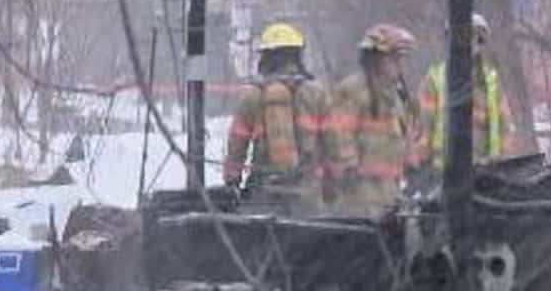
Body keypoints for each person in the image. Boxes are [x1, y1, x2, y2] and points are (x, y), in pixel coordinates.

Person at [224, 22, 330, 215]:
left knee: (261, 244)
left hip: (263, 195)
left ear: (265, 57)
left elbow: (236, 145)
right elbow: (334, 142)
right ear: (297, 55)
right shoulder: (317, 93)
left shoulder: (252, 95)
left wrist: (232, 181)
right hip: (309, 196)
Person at [411, 13, 535, 175]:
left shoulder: (491, 81)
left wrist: (501, 164)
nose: (467, 45)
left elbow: (505, 129)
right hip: (444, 176)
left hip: (485, 176)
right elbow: (423, 129)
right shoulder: (435, 79)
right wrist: (420, 169)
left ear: (479, 42)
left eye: (472, 38)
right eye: (461, 38)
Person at [326, 23, 419, 217]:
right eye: (394, 59)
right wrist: (348, 170)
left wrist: (413, 164)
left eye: (400, 59)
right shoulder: (352, 90)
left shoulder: (396, 95)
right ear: (376, 59)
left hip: (390, 195)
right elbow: (341, 135)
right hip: (359, 198)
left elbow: (404, 133)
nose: (399, 66)